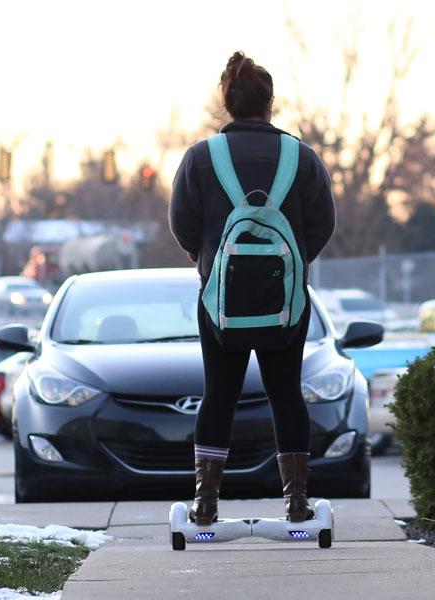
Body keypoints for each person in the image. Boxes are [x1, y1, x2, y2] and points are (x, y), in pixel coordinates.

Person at [169, 51, 335, 525]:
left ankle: (205, 503)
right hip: (286, 305)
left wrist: (210, 265)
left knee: (218, 393)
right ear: (271, 104)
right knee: (286, 394)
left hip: (220, 304)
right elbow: (323, 223)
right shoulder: (301, 157)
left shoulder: (201, 158)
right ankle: (297, 502)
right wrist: (291, 268)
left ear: (227, 103)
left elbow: (183, 224)